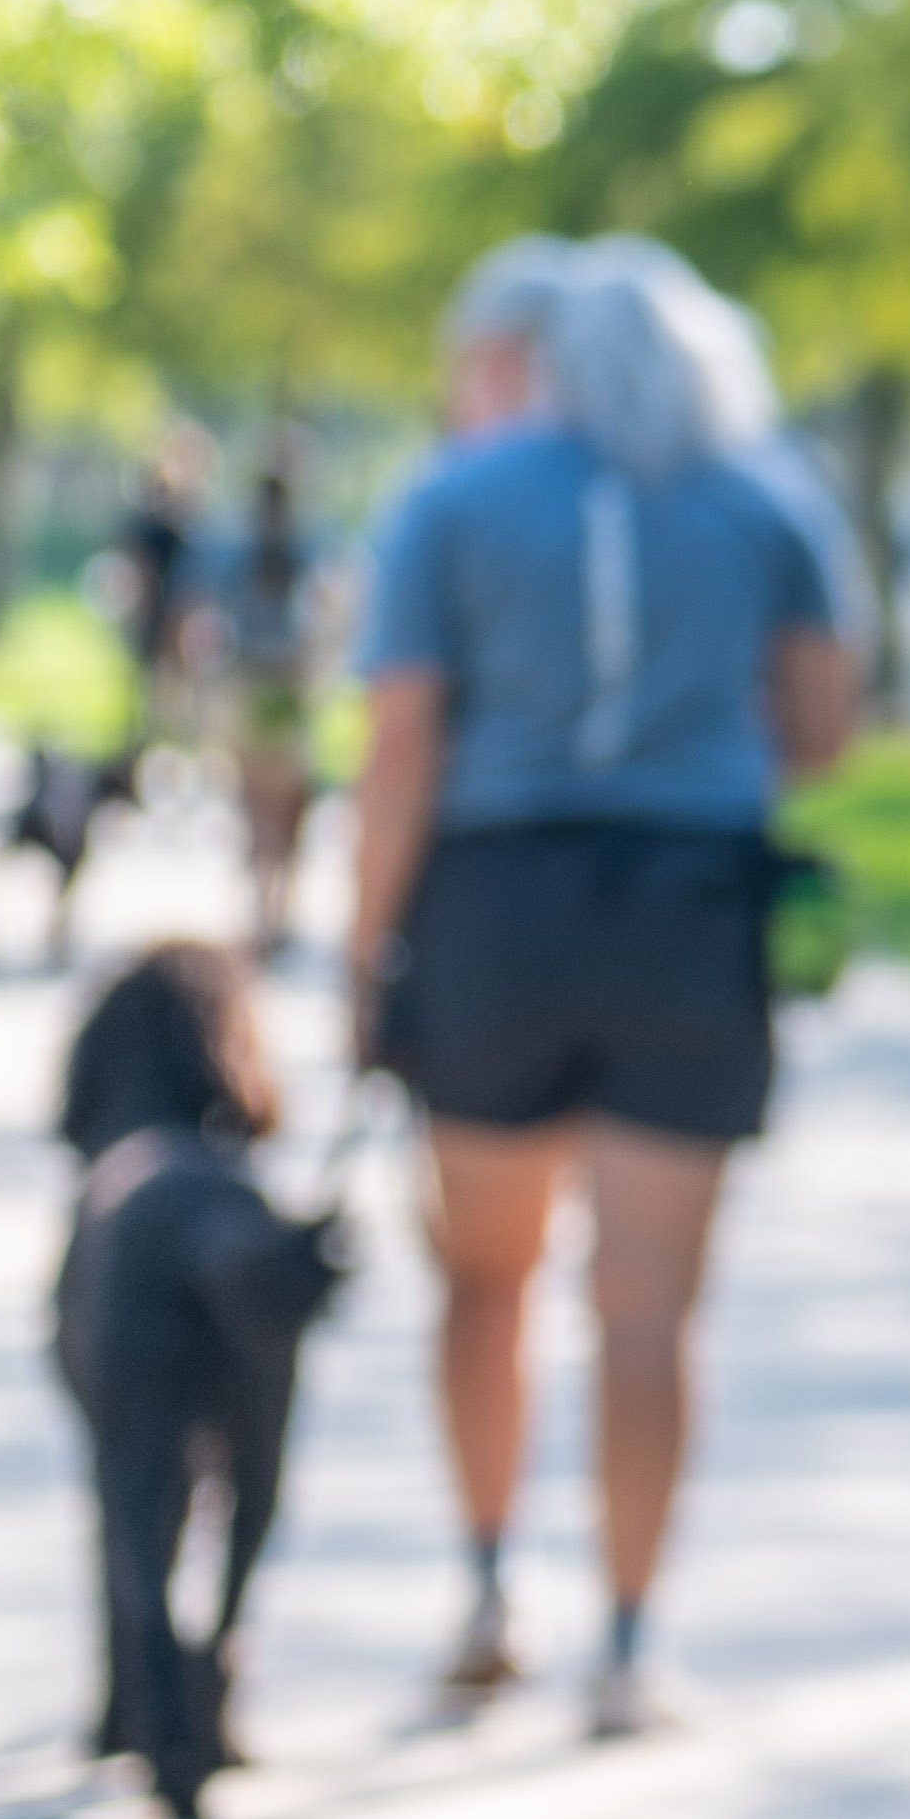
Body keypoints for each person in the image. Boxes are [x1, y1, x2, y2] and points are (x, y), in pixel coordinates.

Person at [349, 244, 860, 1737]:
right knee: (647, 1308)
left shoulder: (450, 499)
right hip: (690, 911)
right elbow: (825, 731)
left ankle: (486, 1590)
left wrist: (366, 944)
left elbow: (400, 750)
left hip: (495, 908)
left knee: (484, 1275)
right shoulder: (770, 499)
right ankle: (630, 1646)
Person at [221, 455, 333, 959]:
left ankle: (262, 908)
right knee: (286, 809)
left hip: (251, 687)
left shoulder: (239, 554)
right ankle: (277, 908)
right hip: (284, 691)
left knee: (257, 809)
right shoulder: (306, 551)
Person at [108, 425, 215, 756]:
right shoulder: (153, 520)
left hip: (182, 611)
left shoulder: (194, 520)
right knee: (152, 689)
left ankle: (179, 747)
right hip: (159, 608)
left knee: (184, 692)